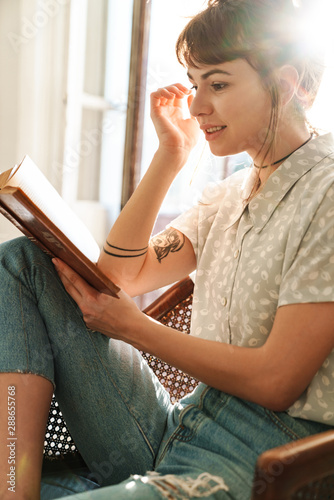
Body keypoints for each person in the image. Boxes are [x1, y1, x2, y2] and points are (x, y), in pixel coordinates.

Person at [1, 0, 334, 498]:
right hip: (177, 427)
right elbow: (121, 275)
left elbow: (276, 381)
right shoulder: (228, 195)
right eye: (195, 83)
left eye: (218, 84)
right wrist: (170, 156)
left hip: (262, 457)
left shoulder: (325, 193)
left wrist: (134, 328)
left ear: (283, 85)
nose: (198, 106)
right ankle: (14, 485)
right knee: (23, 261)